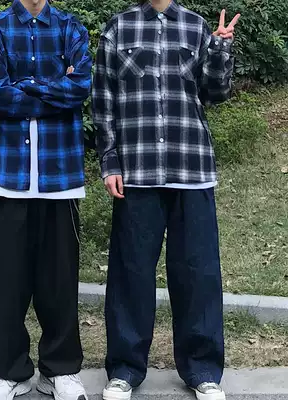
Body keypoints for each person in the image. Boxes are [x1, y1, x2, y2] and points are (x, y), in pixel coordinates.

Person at [92, 0, 240, 399]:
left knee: (198, 272)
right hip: (137, 172)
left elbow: (215, 93)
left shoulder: (196, 26)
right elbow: (103, 101)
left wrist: (220, 48)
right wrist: (109, 160)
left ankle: (202, 370)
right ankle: (125, 370)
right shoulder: (118, 28)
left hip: (191, 168)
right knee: (131, 273)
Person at [0, 0, 92, 399]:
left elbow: (81, 88)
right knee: (4, 283)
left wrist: (21, 85)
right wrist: (56, 88)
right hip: (7, 174)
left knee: (59, 281)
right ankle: (10, 372)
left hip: (60, 174)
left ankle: (60, 371)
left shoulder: (71, 28)